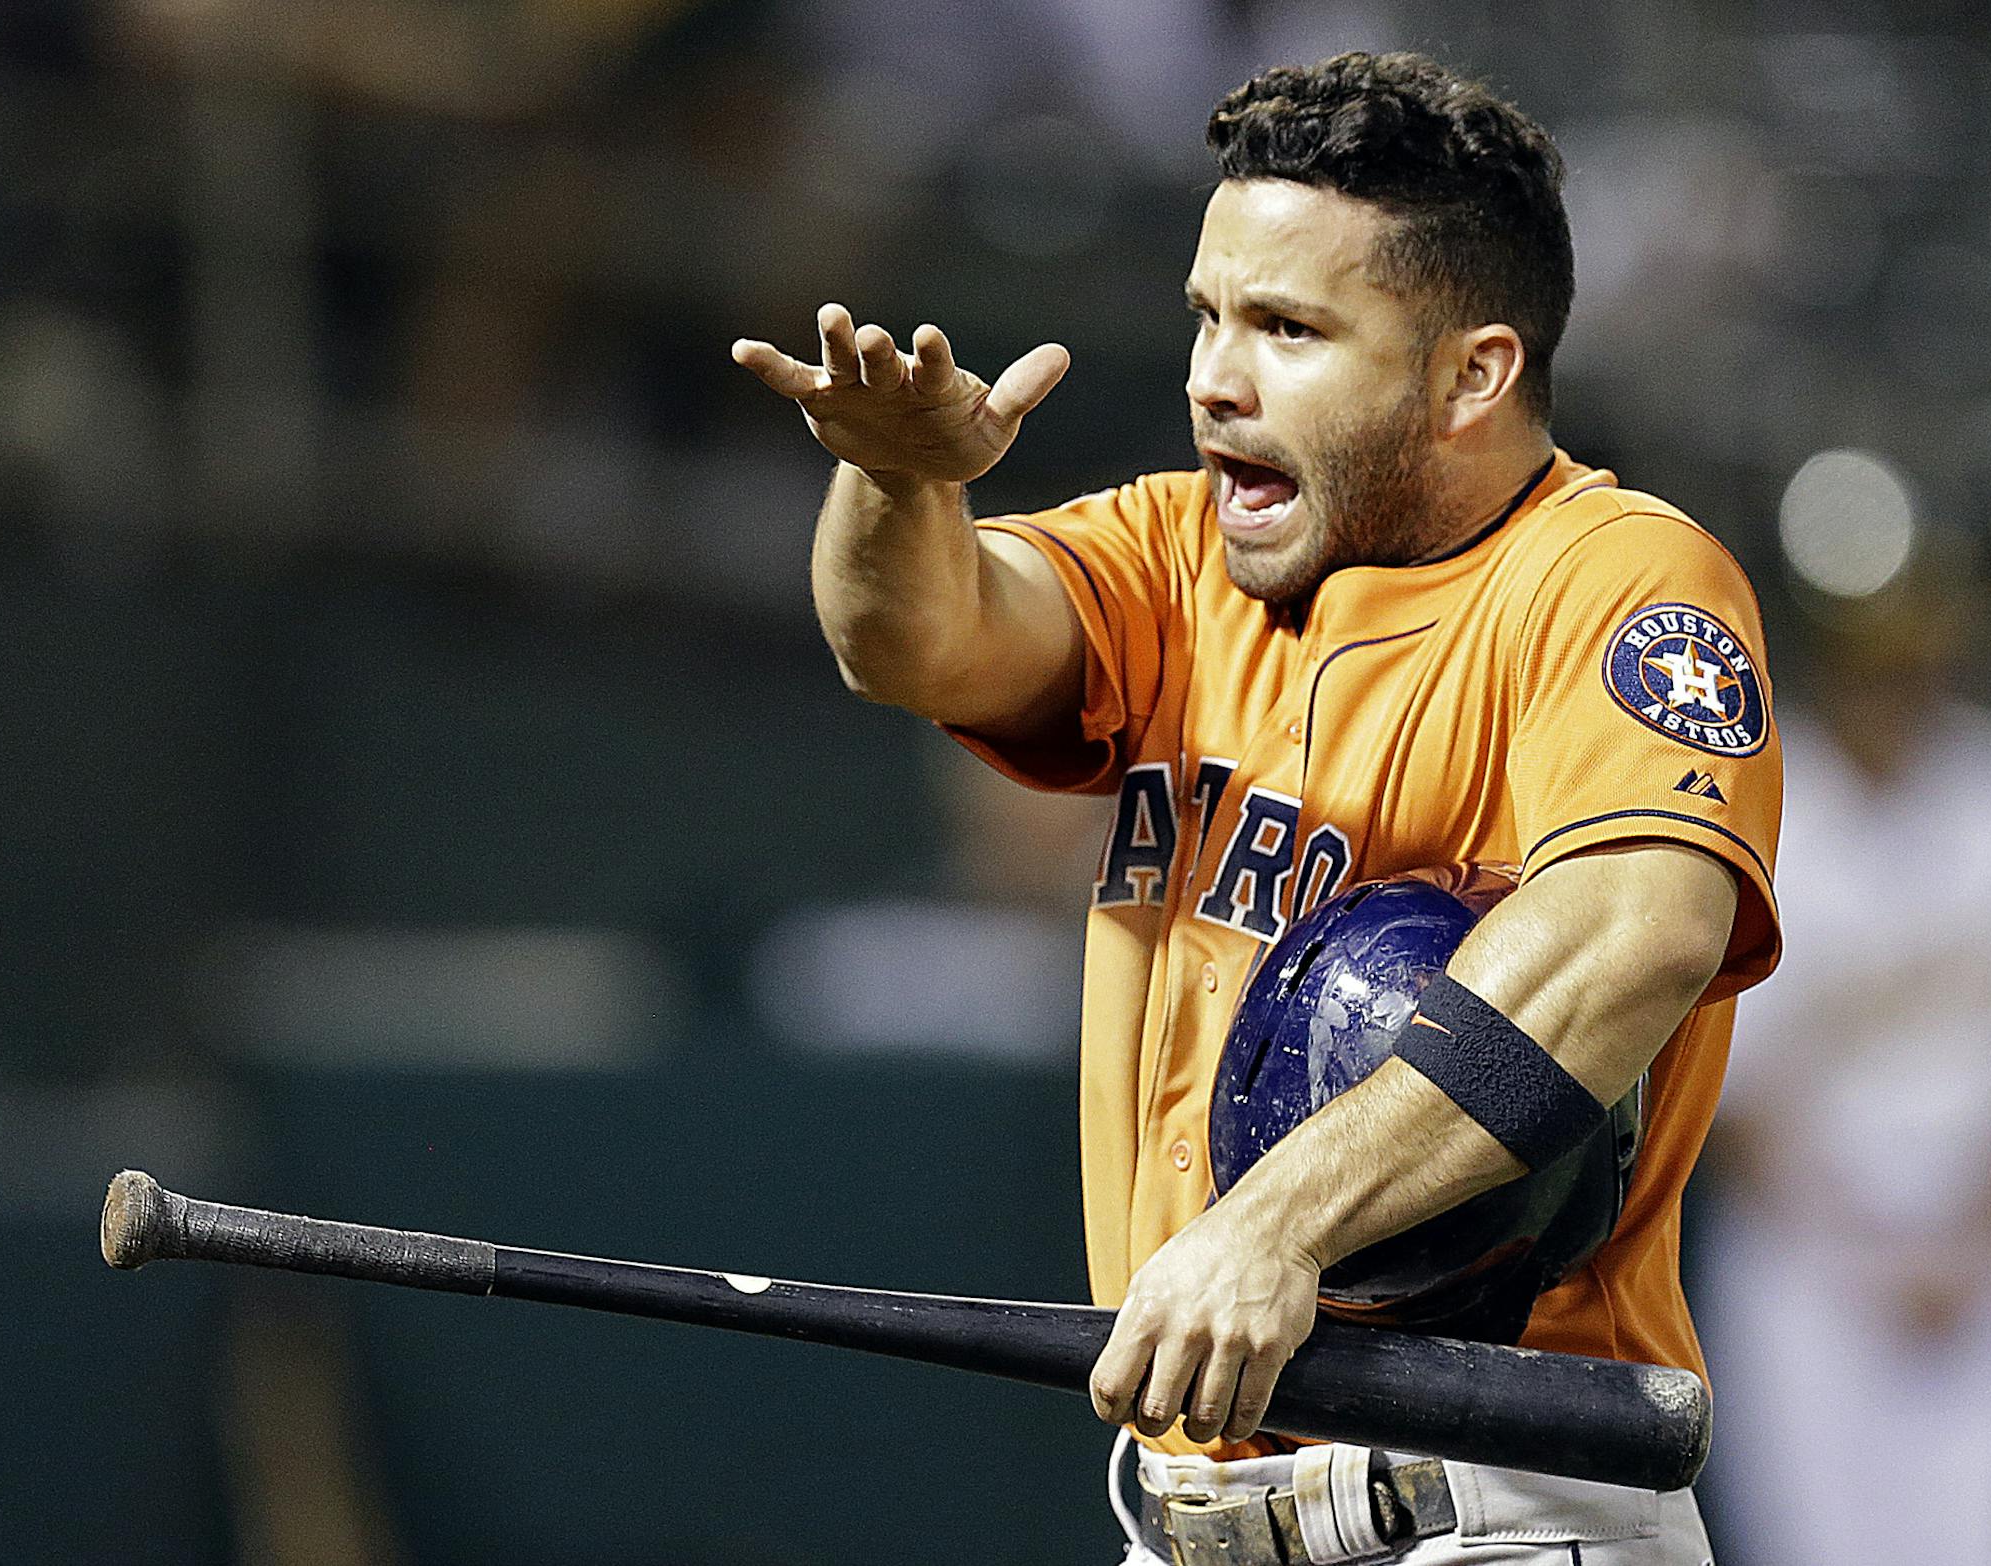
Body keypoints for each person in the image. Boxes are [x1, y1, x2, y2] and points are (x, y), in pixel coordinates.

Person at [734, 50, 1781, 1565]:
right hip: (1187, 1518)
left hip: (1483, 1510)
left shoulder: (1620, 577)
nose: (1214, 377)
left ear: (1472, 372)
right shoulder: (1179, 552)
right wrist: (900, 485)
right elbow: (908, 638)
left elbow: (1635, 928)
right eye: (1209, 316)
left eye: (1288, 328)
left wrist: (1276, 1220)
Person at [1692, 576, 1991, 1566]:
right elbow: (1728, 1093)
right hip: (1805, 1261)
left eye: (1914, 659)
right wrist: (1864, 1255)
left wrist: (1974, 1243)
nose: (1894, 685)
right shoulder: (1758, 808)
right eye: (1872, 662)